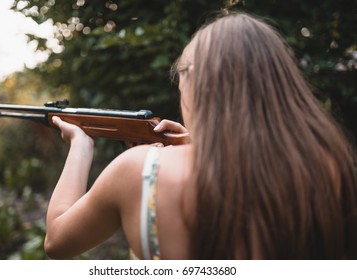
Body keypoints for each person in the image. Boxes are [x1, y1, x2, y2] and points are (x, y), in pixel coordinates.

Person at [44, 12, 357, 259]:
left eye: (181, 74)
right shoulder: (329, 162)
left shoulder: (139, 170)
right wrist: (200, 143)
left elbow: (57, 241)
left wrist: (81, 145)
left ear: (195, 80)